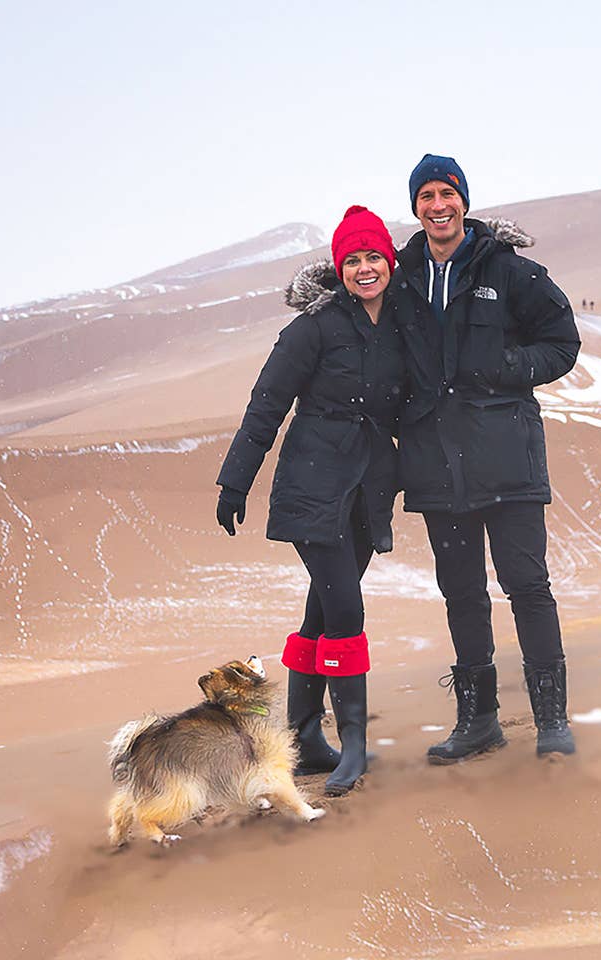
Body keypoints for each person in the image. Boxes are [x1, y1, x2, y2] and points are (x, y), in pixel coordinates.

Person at [393, 154, 581, 761]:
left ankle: (552, 718)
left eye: (447, 193)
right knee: (462, 593)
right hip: (435, 465)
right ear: (415, 207)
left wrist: (508, 369)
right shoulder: (398, 278)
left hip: (507, 458)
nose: (437, 206)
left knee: (528, 585)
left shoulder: (509, 271)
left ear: (464, 202)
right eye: (426, 196)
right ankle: (479, 721)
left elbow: (562, 342)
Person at [216, 205, 405, 795]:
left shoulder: (403, 324)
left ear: (390, 262)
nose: (365, 268)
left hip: (368, 487)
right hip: (313, 486)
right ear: (338, 269)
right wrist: (235, 481)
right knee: (346, 609)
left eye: (374, 256)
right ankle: (352, 745)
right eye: (353, 260)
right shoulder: (312, 330)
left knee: (323, 611)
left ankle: (301, 739)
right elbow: (267, 403)